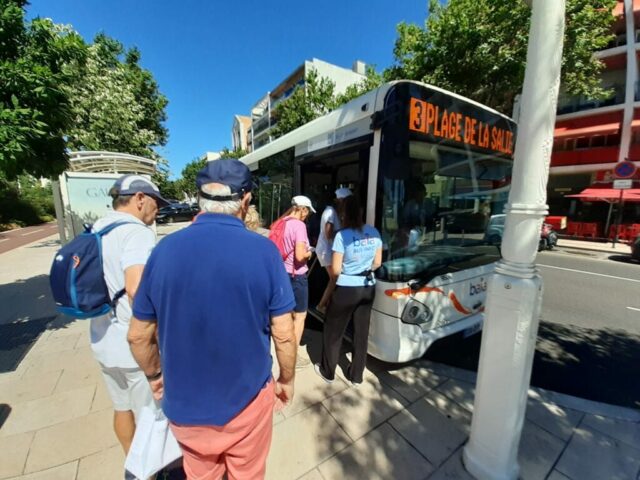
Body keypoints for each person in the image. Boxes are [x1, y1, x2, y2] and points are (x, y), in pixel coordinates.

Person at [128, 159, 297, 480]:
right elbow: (285, 334)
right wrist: (286, 378)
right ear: (245, 200)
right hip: (247, 403)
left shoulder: (163, 251)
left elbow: (138, 336)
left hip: (185, 407)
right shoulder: (264, 253)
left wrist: (154, 376)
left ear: (200, 198)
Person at [89, 174, 169, 454]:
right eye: (156, 202)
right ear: (139, 198)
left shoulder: (98, 227)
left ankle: (131, 463)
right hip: (132, 346)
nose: (158, 208)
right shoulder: (136, 232)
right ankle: (148, 470)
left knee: (122, 409)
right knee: (152, 417)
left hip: (102, 340)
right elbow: (136, 289)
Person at [315, 195, 383, 387]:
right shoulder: (374, 232)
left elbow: (336, 270)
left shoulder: (342, 236)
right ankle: (356, 376)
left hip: (347, 288)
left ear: (344, 213)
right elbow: (377, 263)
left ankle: (327, 372)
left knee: (333, 330)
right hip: (368, 286)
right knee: (361, 333)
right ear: (361, 212)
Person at [273, 195, 315, 368]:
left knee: (286, 314)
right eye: (307, 212)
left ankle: (283, 346)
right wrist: (310, 252)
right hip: (296, 276)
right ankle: (292, 355)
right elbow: (299, 257)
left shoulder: (281, 222)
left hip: (281, 274)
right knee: (300, 316)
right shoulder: (299, 226)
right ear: (302, 209)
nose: (307, 216)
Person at [315, 187, 352, 314]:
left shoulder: (332, 212)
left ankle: (328, 304)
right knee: (335, 278)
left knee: (334, 279)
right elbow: (329, 233)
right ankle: (321, 305)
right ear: (341, 201)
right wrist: (345, 231)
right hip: (326, 250)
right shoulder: (330, 212)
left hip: (328, 250)